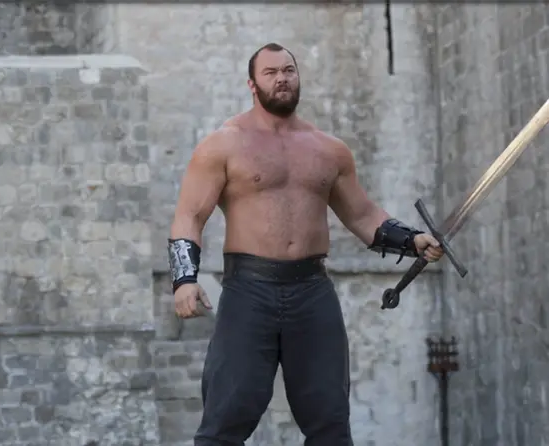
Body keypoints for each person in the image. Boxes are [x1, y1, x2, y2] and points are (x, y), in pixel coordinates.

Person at [167, 42, 444, 446]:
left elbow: (363, 216)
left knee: (330, 424)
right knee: (224, 422)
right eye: (270, 73)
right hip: (249, 292)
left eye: (288, 70)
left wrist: (413, 240)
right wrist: (184, 279)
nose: (281, 79)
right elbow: (189, 215)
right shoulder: (223, 145)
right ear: (252, 84)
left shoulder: (329, 150)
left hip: (312, 291)